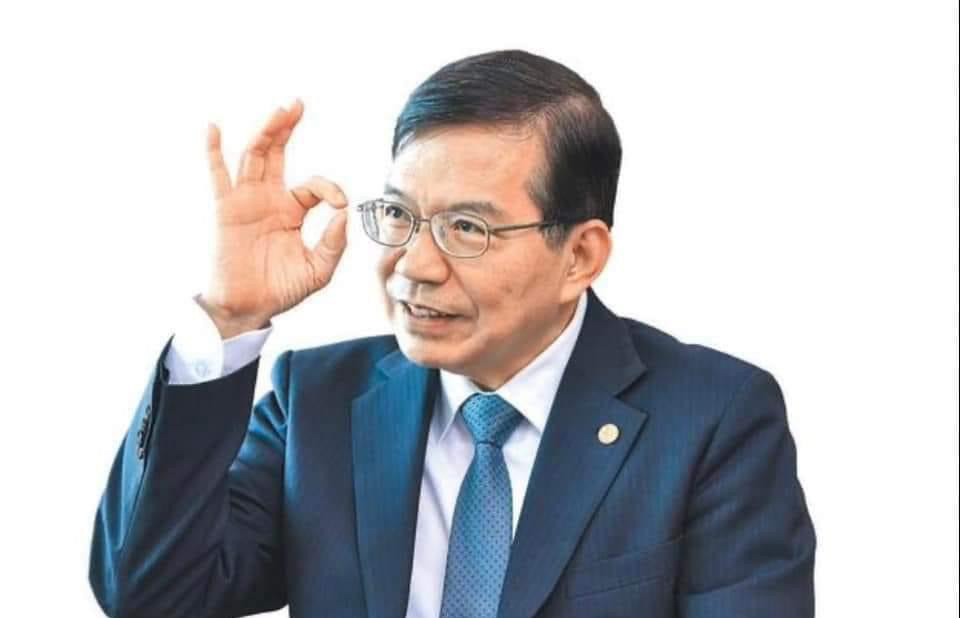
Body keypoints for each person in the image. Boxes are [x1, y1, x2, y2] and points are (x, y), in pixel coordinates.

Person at [88, 49, 816, 618]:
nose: (414, 264)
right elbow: (151, 593)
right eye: (400, 216)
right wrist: (229, 316)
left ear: (580, 255)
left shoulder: (712, 419)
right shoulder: (318, 400)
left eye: (467, 228)